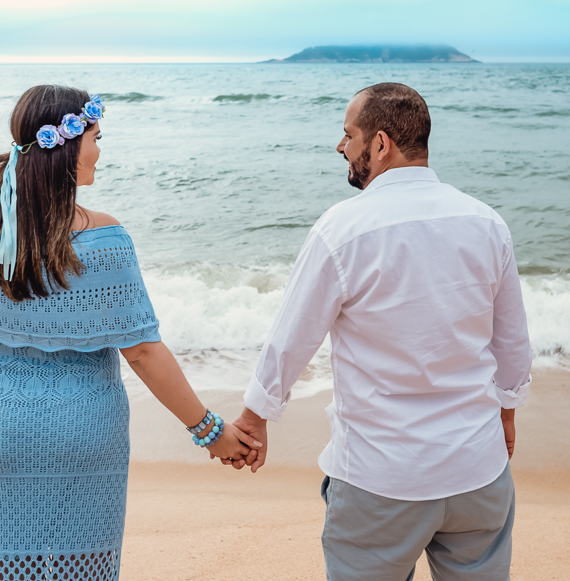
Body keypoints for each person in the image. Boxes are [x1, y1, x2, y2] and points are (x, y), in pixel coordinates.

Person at [0, 84, 258, 581]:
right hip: (82, 432)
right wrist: (210, 431)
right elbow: (144, 352)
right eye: (96, 138)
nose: (100, 152)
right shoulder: (103, 238)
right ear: (68, 146)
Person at [225, 82, 532, 581]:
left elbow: (292, 339)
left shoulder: (343, 229)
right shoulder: (486, 223)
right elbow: (512, 343)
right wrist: (507, 414)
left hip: (380, 477)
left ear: (381, 143)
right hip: (477, 471)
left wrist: (255, 418)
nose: (341, 147)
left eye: (349, 135)